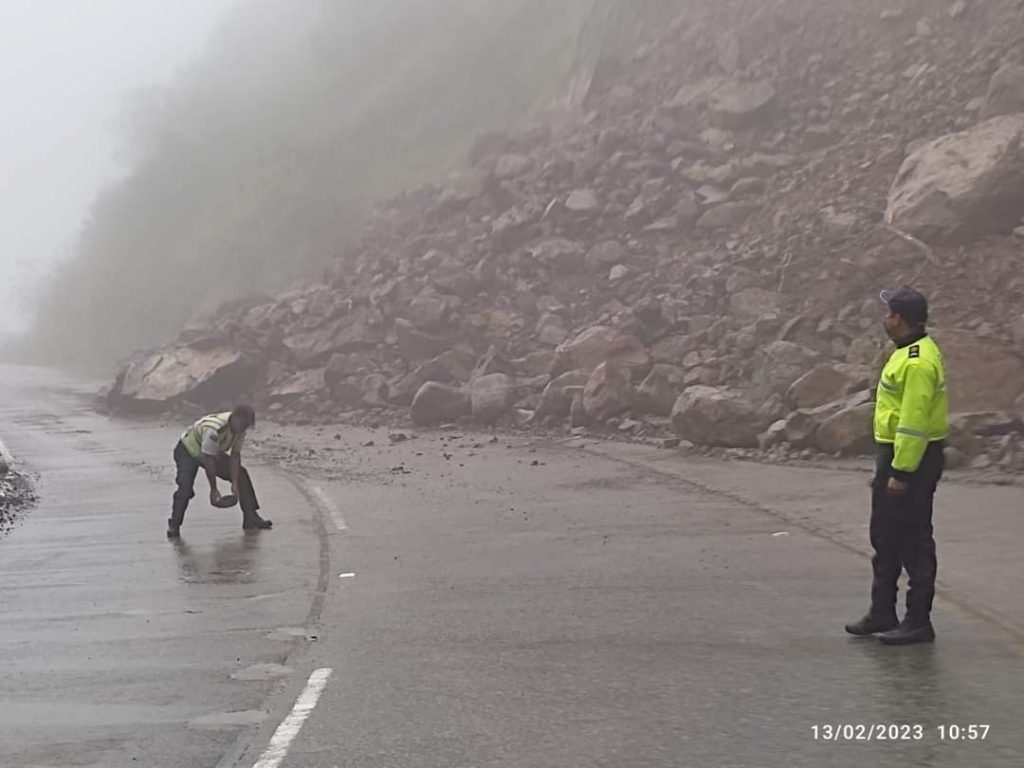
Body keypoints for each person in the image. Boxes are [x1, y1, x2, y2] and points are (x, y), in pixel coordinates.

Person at [845, 287, 948, 645]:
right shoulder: (904, 353)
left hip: (911, 459)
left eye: (889, 313)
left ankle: (918, 620)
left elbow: (914, 422)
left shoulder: (918, 361)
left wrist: (901, 472)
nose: (885, 319)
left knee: (914, 540)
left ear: (899, 319)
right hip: (895, 454)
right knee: (886, 536)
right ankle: (882, 611)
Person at [167, 404, 273, 538]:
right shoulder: (215, 429)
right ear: (235, 417)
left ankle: (251, 516)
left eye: (246, 426)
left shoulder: (240, 428)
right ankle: (174, 525)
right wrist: (214, 489)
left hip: (212, 452)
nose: (243, 428)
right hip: (188, 451)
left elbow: (235, 456)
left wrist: (234, 483)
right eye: (242, 424)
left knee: (242, 475)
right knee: (185, 488)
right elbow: (209, 460)